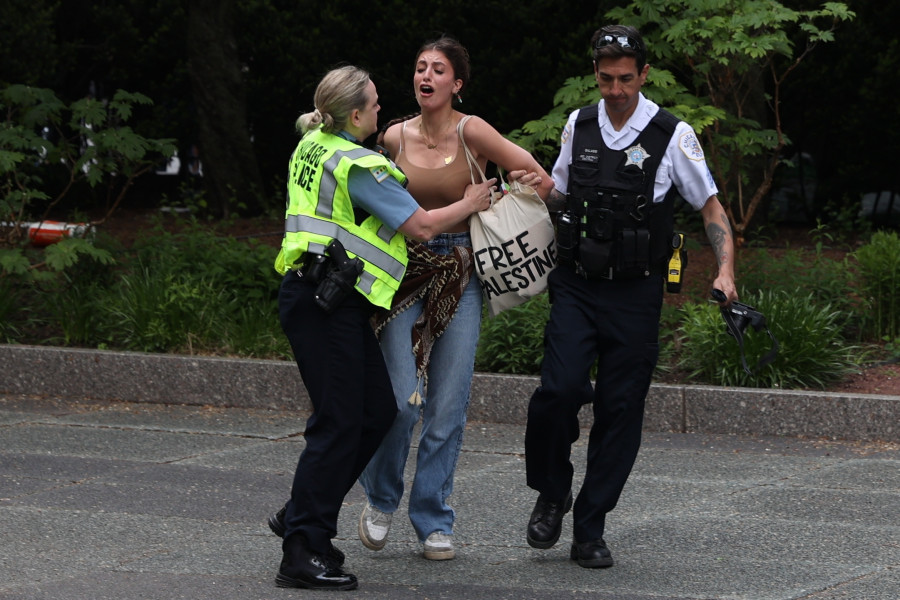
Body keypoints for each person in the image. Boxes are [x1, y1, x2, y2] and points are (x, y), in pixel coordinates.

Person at [272, 65, 495, 591]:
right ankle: (302, 550)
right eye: (373, 103)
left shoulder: (314, 142)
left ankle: (304, 508)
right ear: (354, 115)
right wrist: (469, 202)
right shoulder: (359, 164)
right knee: (339, 422)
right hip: (324, 303)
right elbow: (419, 224)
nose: (381, 109)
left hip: (328, 300)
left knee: (375, 411)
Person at [523, 25, 737, 569]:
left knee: (621, 409)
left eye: (624, 78)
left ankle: (590, 527)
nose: (614, 89)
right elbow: (561, 193)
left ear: (643, 75)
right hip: (576, 284)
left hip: (636, 293)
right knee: (558, 389)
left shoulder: (672, 134)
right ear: (595, 75)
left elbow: (711, 208)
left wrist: (726, 271)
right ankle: (553, 491)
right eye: (604, 78)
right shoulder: (580, 122)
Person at [357, 36, 553, 561]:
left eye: (438, 69)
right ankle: (379, 499)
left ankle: (433, 519)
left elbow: (537, 172)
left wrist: (518, 189)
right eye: (420, 67)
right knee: (400, 401)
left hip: (463, 273)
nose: (425, 76)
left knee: (447, 404)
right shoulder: (393, 137)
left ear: (457, 83)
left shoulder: (473, 131)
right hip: (402, 273)